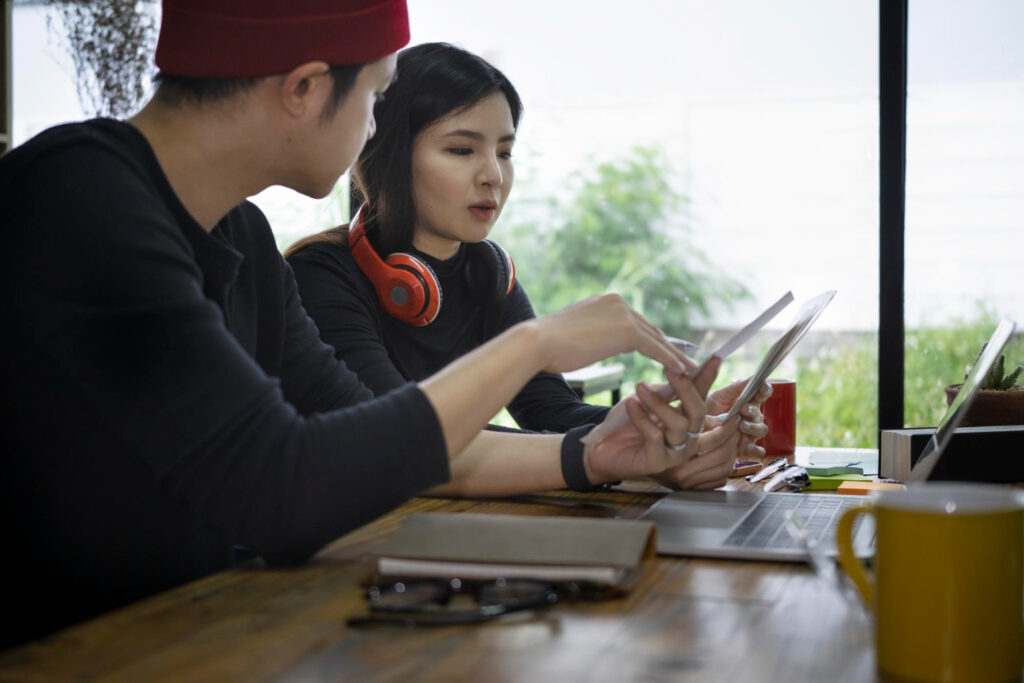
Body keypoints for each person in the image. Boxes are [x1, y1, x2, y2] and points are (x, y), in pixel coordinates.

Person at [0, 2, 722, 646]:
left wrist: (594, 455)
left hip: (188, 636)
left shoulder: (244, 238)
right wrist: (530, 343)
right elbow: (285, 488)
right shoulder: (78, 198)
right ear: (305, 88)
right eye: (376, 95)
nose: (375, 124)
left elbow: (379, 440)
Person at [286, 42, 770, 487]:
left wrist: (671, 422)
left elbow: (550, 409)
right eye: (461, 150)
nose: (493, 176)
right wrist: (608, 452)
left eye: (504, 152)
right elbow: (404, 440)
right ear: (388, 155)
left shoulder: (487, 273)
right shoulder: (320, 278)